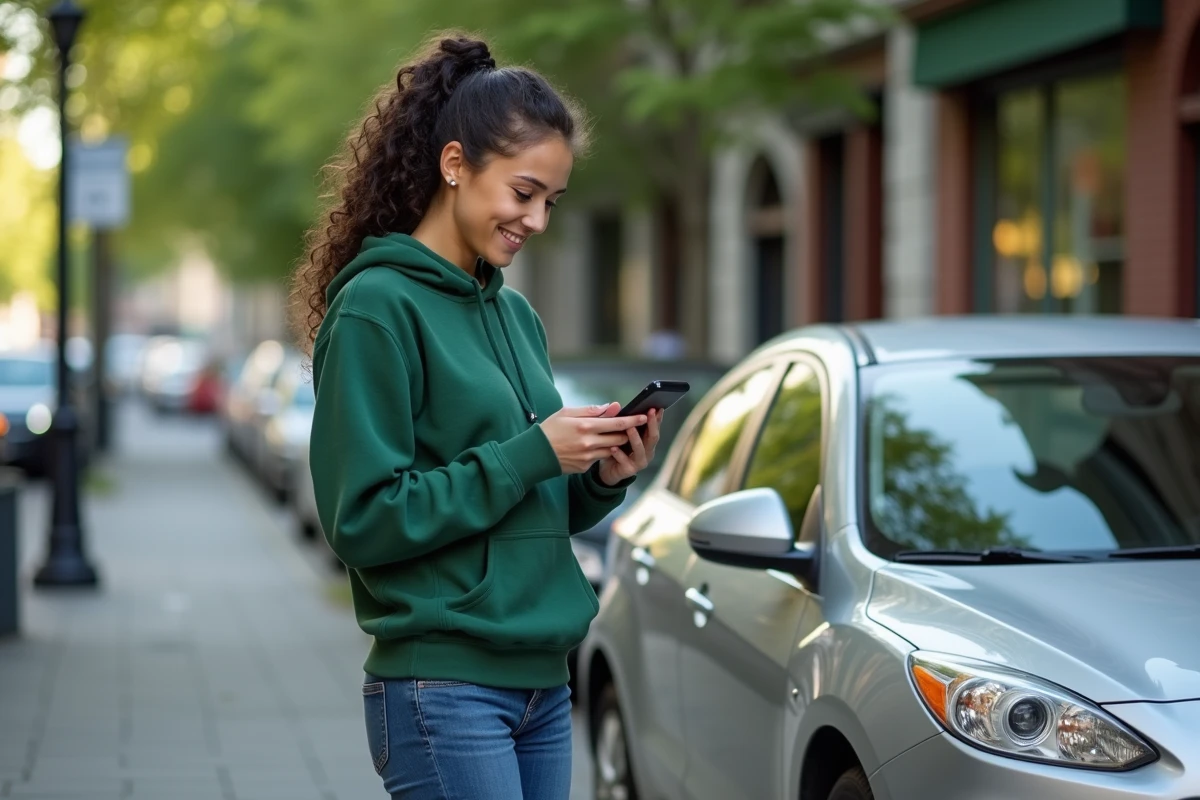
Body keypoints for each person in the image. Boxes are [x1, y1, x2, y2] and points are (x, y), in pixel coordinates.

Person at [290, 32, 661, 800]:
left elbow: (525, 514)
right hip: (443, 685)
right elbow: (361, 519)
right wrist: (532, 453)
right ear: (454, 165)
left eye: (551, 202)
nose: (538, 221)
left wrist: (599, 478)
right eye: (523, 193)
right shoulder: (375, 309)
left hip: (544, 685)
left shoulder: (517, 317)